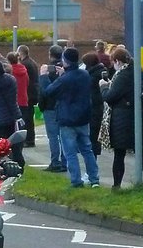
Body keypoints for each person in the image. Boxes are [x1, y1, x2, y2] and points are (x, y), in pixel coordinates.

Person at [100, 46, 143, 193]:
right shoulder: (137, 72)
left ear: (118, 61)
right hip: (138, 118)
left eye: (113, 62)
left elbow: (110, 97)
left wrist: (104, 87)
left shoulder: (123, 75)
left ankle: (116, 187)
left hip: (123, 121)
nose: (113, 65)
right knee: (141, 154)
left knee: (119, 154)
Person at [39, 47, 100, 188]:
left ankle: (76, 180)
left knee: (70, 152)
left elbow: (49, 92)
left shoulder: (64, 79)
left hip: (67, 120)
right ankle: (94, 178)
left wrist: (43, 76)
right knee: (87, 150)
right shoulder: (84, 74)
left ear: (65, 61)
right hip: (84, 118)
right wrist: (64, 74)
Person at [38, 45, 66, 172]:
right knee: (63, 136)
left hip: (50, 106)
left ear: (50, 55)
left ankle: (55, 162)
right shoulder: (64, 70)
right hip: (62, 106)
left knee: (53, 137)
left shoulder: (47, 72)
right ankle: (64, 162)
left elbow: (44, 91)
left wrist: (43, 76)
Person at [80, 51, 106, 158]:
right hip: (96, 106)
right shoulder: (100, 71)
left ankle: (92, 161)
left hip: (94, 107)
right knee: (93, 134)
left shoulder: (92, 75)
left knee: (92, 135)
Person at [16, 45, 39, 148]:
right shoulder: (32, 62)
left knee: (26, 118)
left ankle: (28, 140)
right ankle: (30, 139)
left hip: (28, 94)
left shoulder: (24, 64)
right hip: (33, 93)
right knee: (29, 118)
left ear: (21, 53)